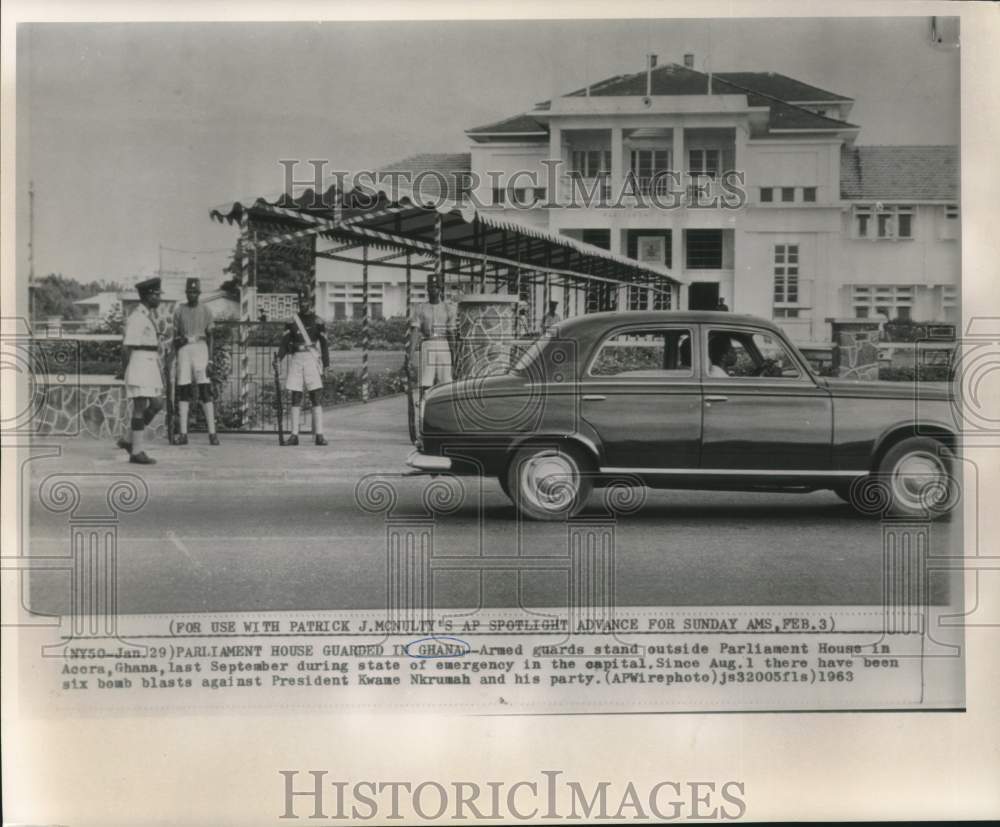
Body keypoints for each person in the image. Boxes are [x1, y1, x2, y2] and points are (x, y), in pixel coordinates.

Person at [118, 277, 167, 464]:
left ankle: (128, 439)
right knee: (140, 407)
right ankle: (136, 451)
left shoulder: (145, 315)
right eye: (156, 295)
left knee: (157, 404)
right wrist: (125, 370)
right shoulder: (137, 318)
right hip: (139, 364)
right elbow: (126, 347)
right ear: (147, 296)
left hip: (148, 364)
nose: (158, 299)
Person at [276, 298, 330, 446]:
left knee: (315, 396)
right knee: (295, 396)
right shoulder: (292, 321)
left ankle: (319, 435)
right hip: (296, 359)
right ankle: (294, 435)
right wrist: (278, 358)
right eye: (301, 301)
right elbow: (284, 343)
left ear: (311, 304)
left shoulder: (319, 322)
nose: (302, 304)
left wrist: (326, 365)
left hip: (312, 359)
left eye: (305, 301)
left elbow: (324, 345)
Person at [172, 277, 219, 446]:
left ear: (199, 293)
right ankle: (183, 434)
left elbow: (211, 336)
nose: (192, 294)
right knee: (184, 389)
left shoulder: (206, 310)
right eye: (189, 292)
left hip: (201, 348)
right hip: (185, 350)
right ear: (186, 293)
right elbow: (174, 337)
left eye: (195, 292)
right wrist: (179, 341)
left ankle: (212, 434)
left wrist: (211, 360)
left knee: (205, 389)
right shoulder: (179, 310)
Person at [409, 275, 456, 420]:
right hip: (428, 343)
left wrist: (455, 354)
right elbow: (415, 331)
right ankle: (424, 415)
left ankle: (446, 416)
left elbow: (451, 332)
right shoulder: (421, 308)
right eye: (430, 287)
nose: (432, 290)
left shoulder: (448, 308)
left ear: (440, 289)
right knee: (425, 381)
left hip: (443, 344)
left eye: (435, 287)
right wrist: (410, 354)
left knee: (446, 381)